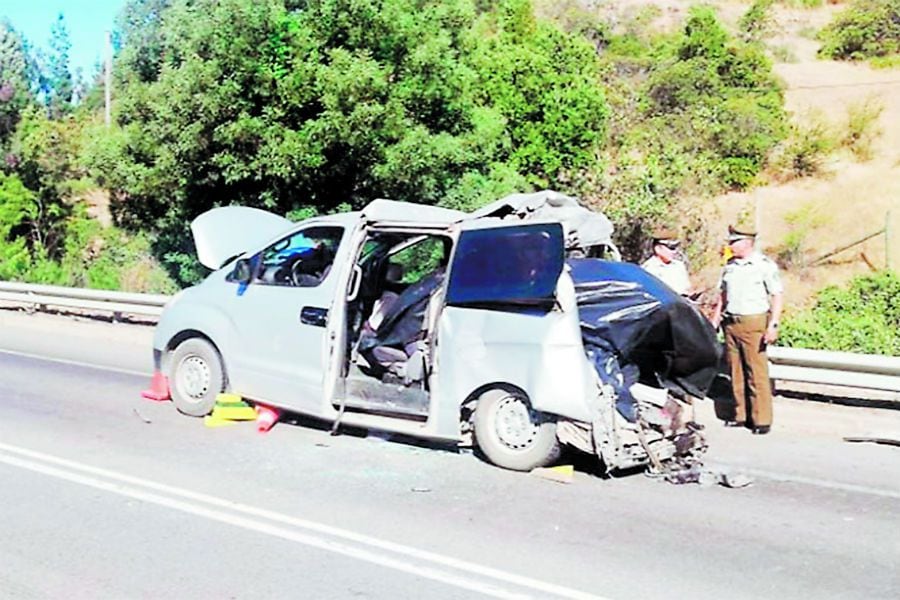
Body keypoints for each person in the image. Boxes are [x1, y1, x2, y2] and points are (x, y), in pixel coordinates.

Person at [711, 224, 784, 435]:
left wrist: (774, 325)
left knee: (756, 372)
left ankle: (761, 419)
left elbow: (776, 295)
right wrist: (715, 321)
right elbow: (723, 296)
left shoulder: (763, 265)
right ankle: (740, 414)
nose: (731, 245)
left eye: (735, 242)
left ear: (747, 243)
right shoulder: (730, 266)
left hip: (754, 322)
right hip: (731, 322)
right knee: (735, 370)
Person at [641, 227, 691, 296]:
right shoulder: (648, 269)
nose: (674, 251)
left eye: (676, 247)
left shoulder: (679, 265)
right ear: (658, 248)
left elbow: (686, 289)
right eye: (671, 248)